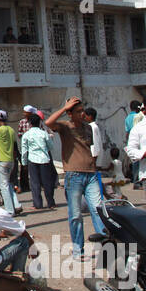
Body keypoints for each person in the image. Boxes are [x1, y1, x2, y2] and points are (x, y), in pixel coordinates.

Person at [45, 97, 105, 253]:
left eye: (82, 111)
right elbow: (48, 123)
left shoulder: (88, 128)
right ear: (70, 114)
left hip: (90, 174)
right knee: (75, 214)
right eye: (78, 111)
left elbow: (90, 149)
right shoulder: (65, 127)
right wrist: (64, 108)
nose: (82, 114)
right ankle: (78, 249)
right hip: (74, 175)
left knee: (98, 210)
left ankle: (106, 245)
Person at [20, 113, 56, 210]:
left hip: (32, 160)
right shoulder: (44, 133)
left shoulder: (26, 135)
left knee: (35, 182)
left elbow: (24, 150)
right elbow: (51, 146)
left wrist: (24, 163)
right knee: (47, 182)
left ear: (30, 123)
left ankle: (37, 204)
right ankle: (51, 202)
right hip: (44, 159)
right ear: (39, 123)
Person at [0, 110, 20, 213]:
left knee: (4, 187)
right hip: (10, 160)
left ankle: (10, 210)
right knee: (8, 184)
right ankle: (16, 205)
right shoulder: (11, 130)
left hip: (1, 160)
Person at [124, 101, 143, 183]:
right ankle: (138, 180)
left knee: (135, 161)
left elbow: (127, 132)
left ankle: (135, 179)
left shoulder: (128, 118)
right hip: (140, 140)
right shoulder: (140, 116)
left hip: (131, 141)